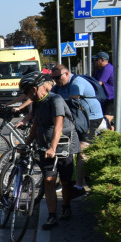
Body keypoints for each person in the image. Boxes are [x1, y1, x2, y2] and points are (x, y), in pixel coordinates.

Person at [20, 73, 80, 229]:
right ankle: (52, 216)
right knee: (48, 180)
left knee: (66, 181)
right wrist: (27, 144)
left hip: (64, 145)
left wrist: (53, 147)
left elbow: (58, 124)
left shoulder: (55, 100)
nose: (25, 96)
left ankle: (66, 207)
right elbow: (36, 125)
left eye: (26, 92)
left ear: (34, 89)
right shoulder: (37, 102)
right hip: (45, 146)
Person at [51, 64, 102, 194]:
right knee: (63, 147)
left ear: (67, 74)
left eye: (58, 77)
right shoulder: (58, 86)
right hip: (73, 119)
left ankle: (79, 186)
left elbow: (72, 100)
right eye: (54, 78)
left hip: (90, 118)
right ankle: (64, 181)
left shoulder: (77, 83)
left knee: (82, 148)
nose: (56, 80)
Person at [91, 51, 115, 128]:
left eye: (96, 60)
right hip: (104, 98)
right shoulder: (100, 69)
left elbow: (99, 83)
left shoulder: (107, 68)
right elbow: (93, 81)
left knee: (107, 118)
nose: (94, 62)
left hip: (111, 97)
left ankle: (110, 134)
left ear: (102, 60)